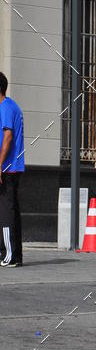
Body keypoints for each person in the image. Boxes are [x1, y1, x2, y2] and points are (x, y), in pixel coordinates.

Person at [0, 72, 25, 267]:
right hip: (8, 168)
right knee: (11, 211)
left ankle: (9, 255)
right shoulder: (9, 106)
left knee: (6, 212)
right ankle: (13, 255)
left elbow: (7, 138)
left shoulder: (6, 108)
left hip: (7, 169)